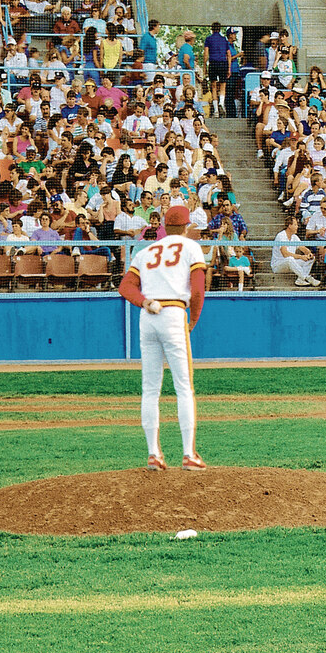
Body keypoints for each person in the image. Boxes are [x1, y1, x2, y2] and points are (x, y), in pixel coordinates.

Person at [119, 200, 209, 470]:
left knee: (150, 388)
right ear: (186, 225)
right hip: (173, 312)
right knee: (183, 386)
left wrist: (144, 302)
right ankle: (189, 454)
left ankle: (154, 453)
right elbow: (197, 291)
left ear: (165, 226)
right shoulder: (192, 247)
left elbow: (126, 287)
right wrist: (192, 319)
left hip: (148, 316)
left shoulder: (147, 251)